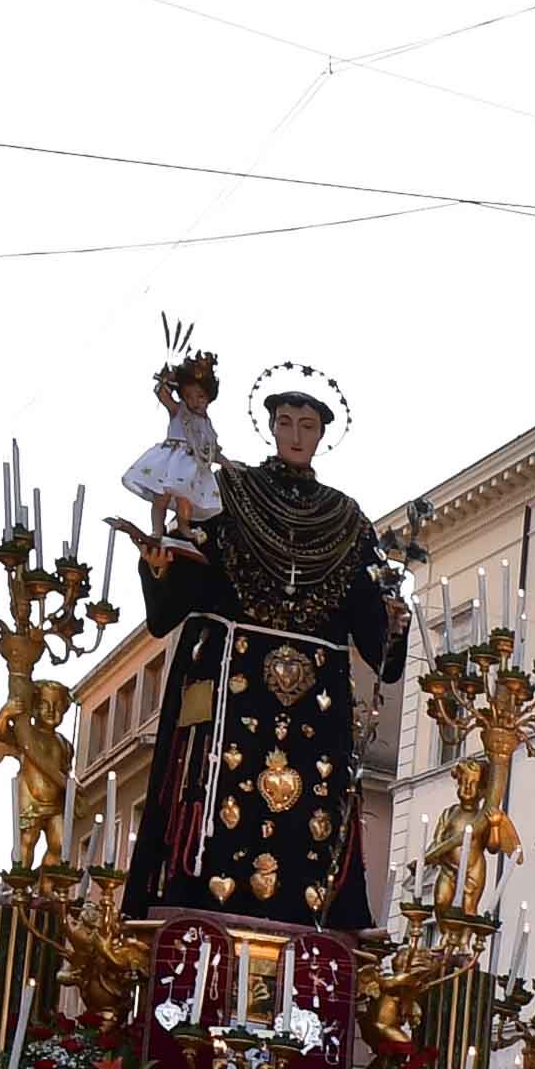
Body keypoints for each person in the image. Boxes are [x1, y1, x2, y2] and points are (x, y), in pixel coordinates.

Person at [119, 368, 410, 926]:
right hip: (233, 681)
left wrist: (392, 621)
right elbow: (186, 571)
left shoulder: (347, 519)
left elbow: (372, 617)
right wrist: (161, 568)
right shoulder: (229, 491)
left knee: (311, 815)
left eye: (307, 425)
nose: (296, 435)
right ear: (271, 428)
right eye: (286, 423)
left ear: (322, 434)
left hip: (316, 701)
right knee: (217, 804)